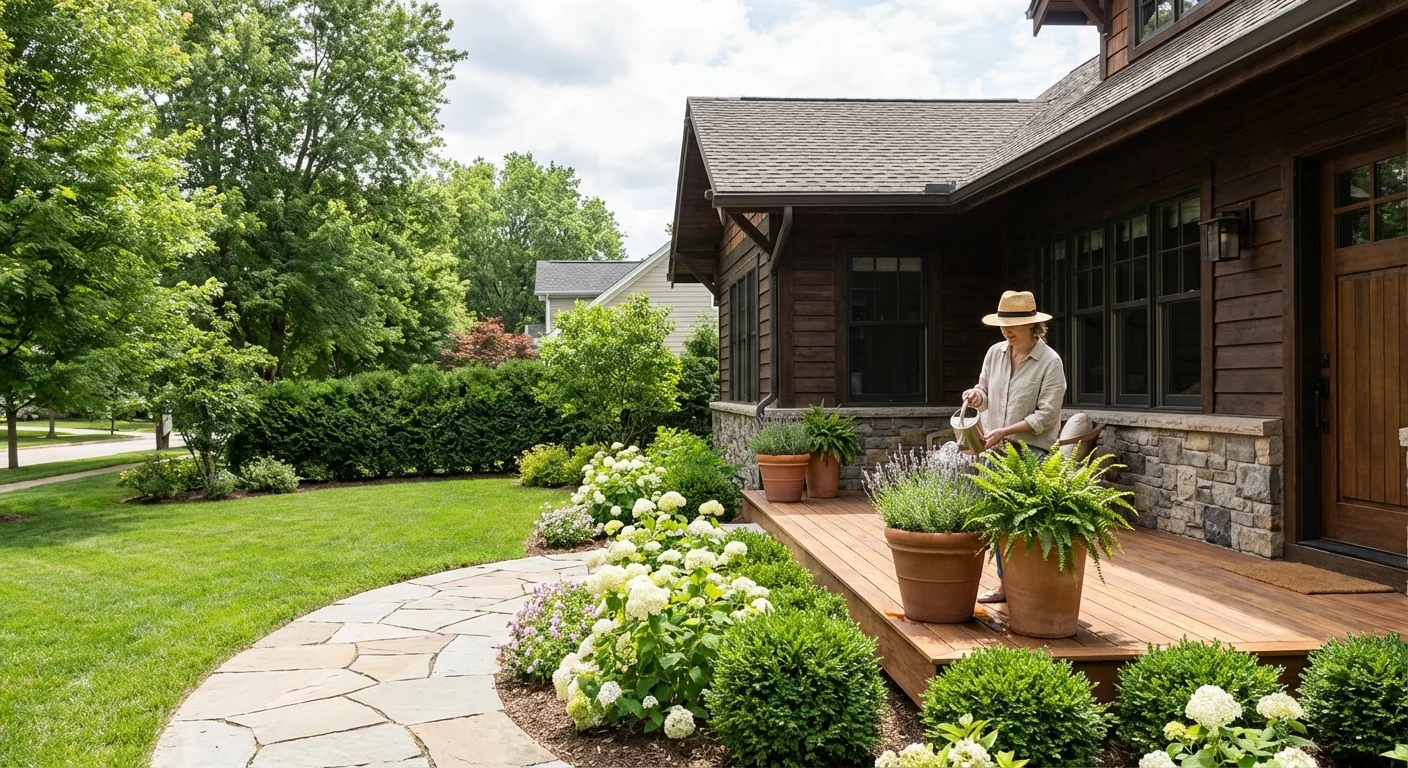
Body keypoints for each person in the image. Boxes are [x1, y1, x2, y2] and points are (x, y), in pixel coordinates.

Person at [961, 290, 1067, 604]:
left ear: (1033, 325)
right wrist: (976, 396)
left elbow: (1047, 416)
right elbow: (984, 390)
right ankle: (1006, 587)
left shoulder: (1050, 362)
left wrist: (1006, 430)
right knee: (997, 519)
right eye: (1003, 323)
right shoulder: (994, 353)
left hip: (1032, 454)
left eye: (1013, 325)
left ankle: (1029, 588)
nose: (1006, 330)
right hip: (995, 450)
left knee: (1023, 524)